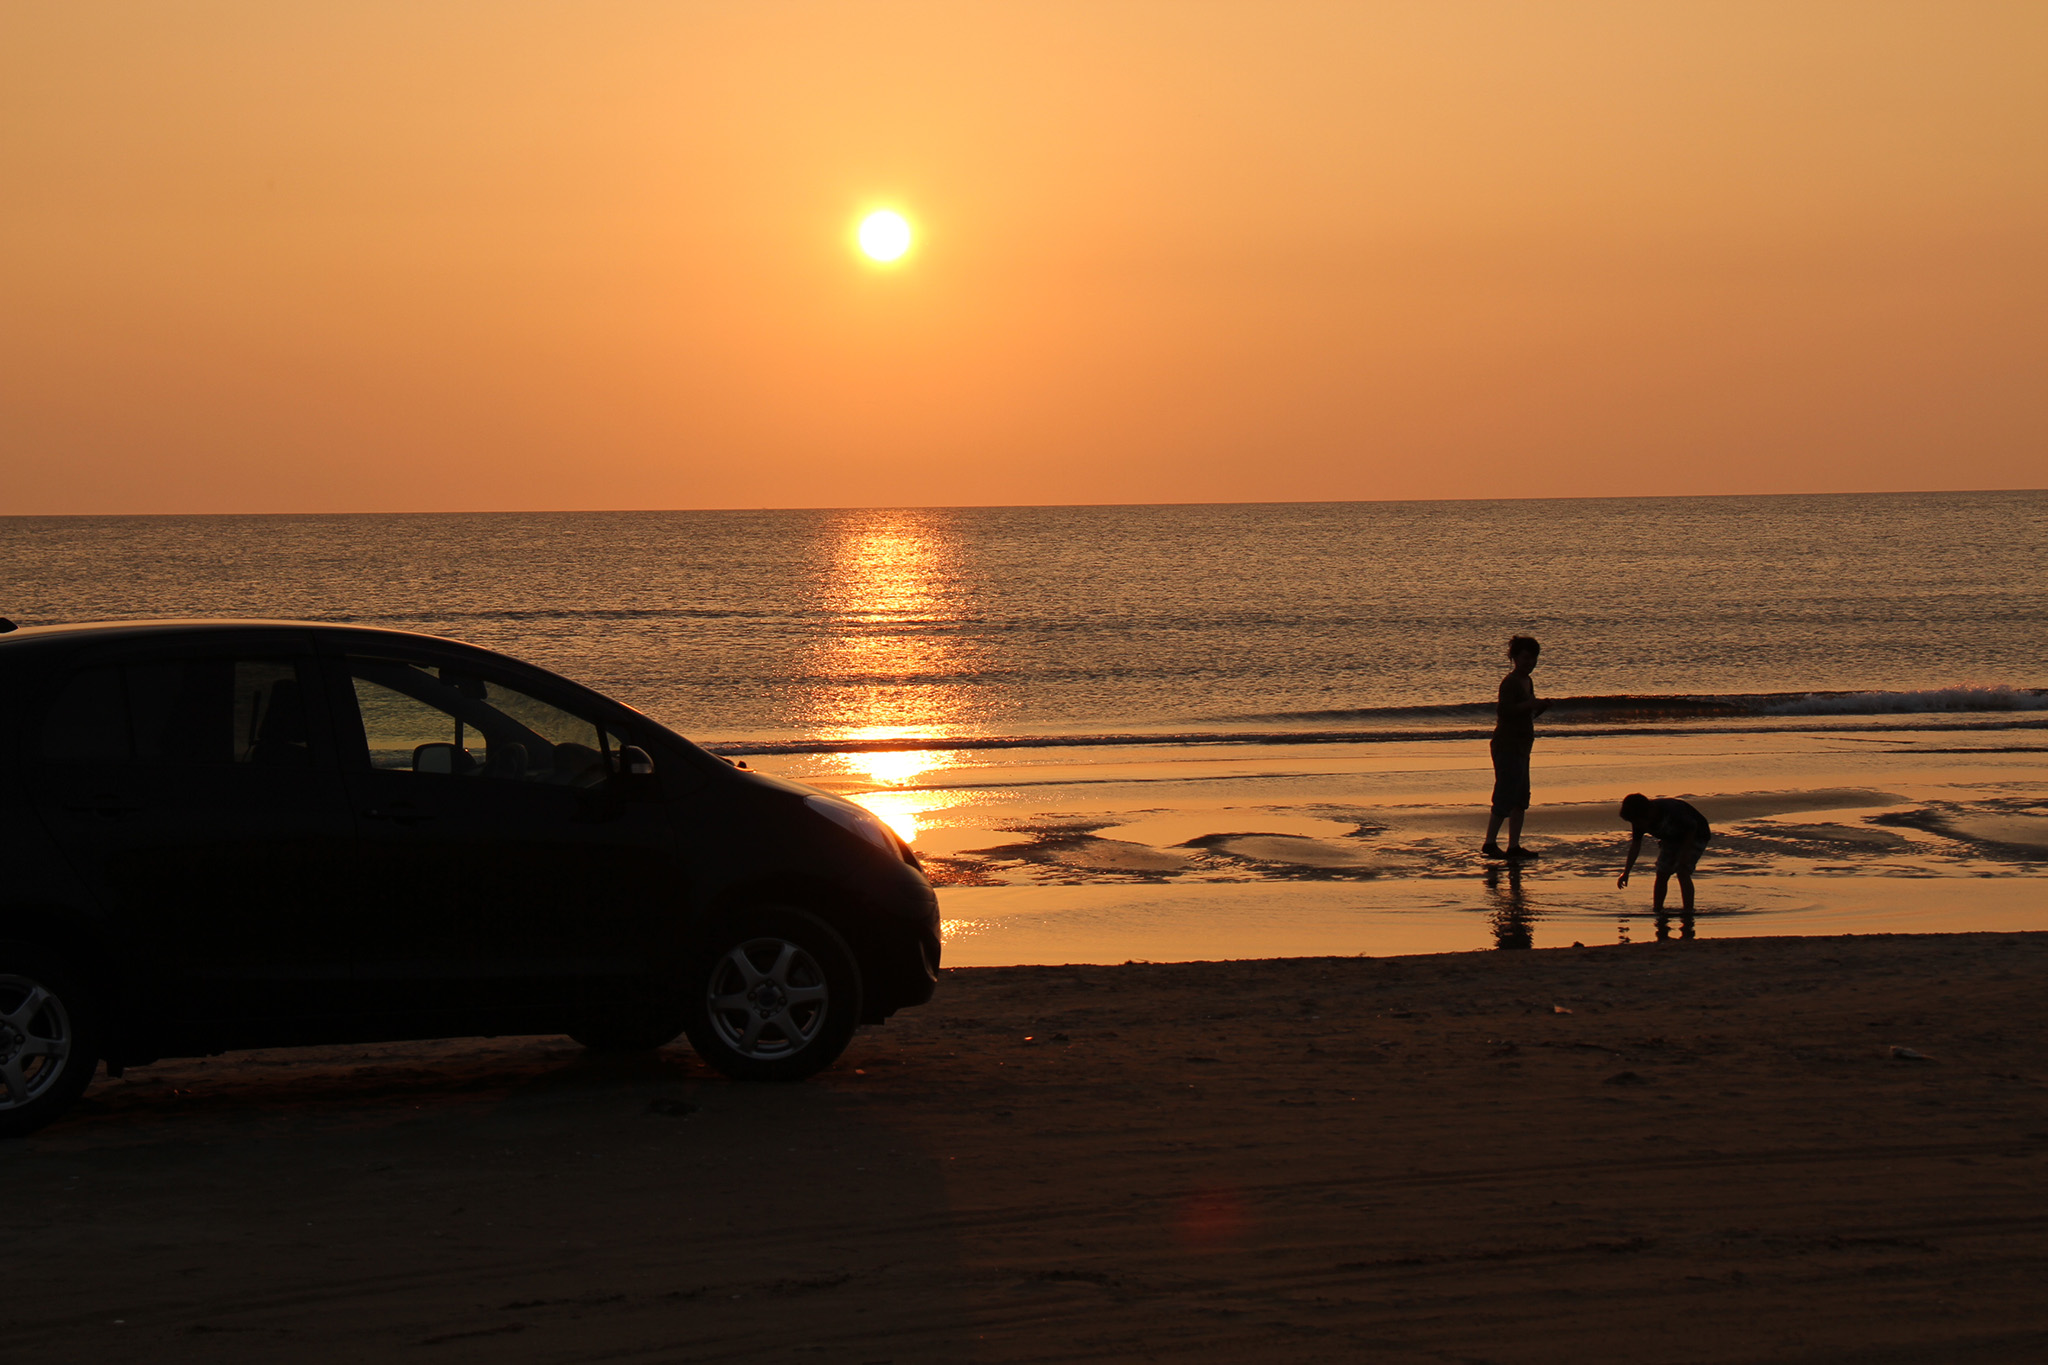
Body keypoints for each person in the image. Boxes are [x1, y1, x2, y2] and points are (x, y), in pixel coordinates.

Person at [1482, 635, 1549, 860]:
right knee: (1505, 794)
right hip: (1507, 745)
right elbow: (1505, 711)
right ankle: (1490, 843)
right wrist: (1528, 704)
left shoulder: (1527, 681)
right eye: (1526, 658)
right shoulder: (1510, 683)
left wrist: (1538, 707)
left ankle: (1514, 846)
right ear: (1515, 658)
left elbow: (1525, 713)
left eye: (1534, 659)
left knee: (1520, 797)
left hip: (1522, 745)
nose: (1530, 663)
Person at [1616, 792, 1712, 917]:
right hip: (1671, 837)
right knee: (1662, 873)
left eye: (1638, 821)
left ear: (1647, 813)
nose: (1637, 825)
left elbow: (1691, 828)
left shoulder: (1671, 810)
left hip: (1696, 835)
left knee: (1682, 870)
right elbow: (1635, 846)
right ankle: (1657, 910)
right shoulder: (1638, 820)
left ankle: (1688, 911)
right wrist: (1626, 872)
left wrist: (1684, 855)